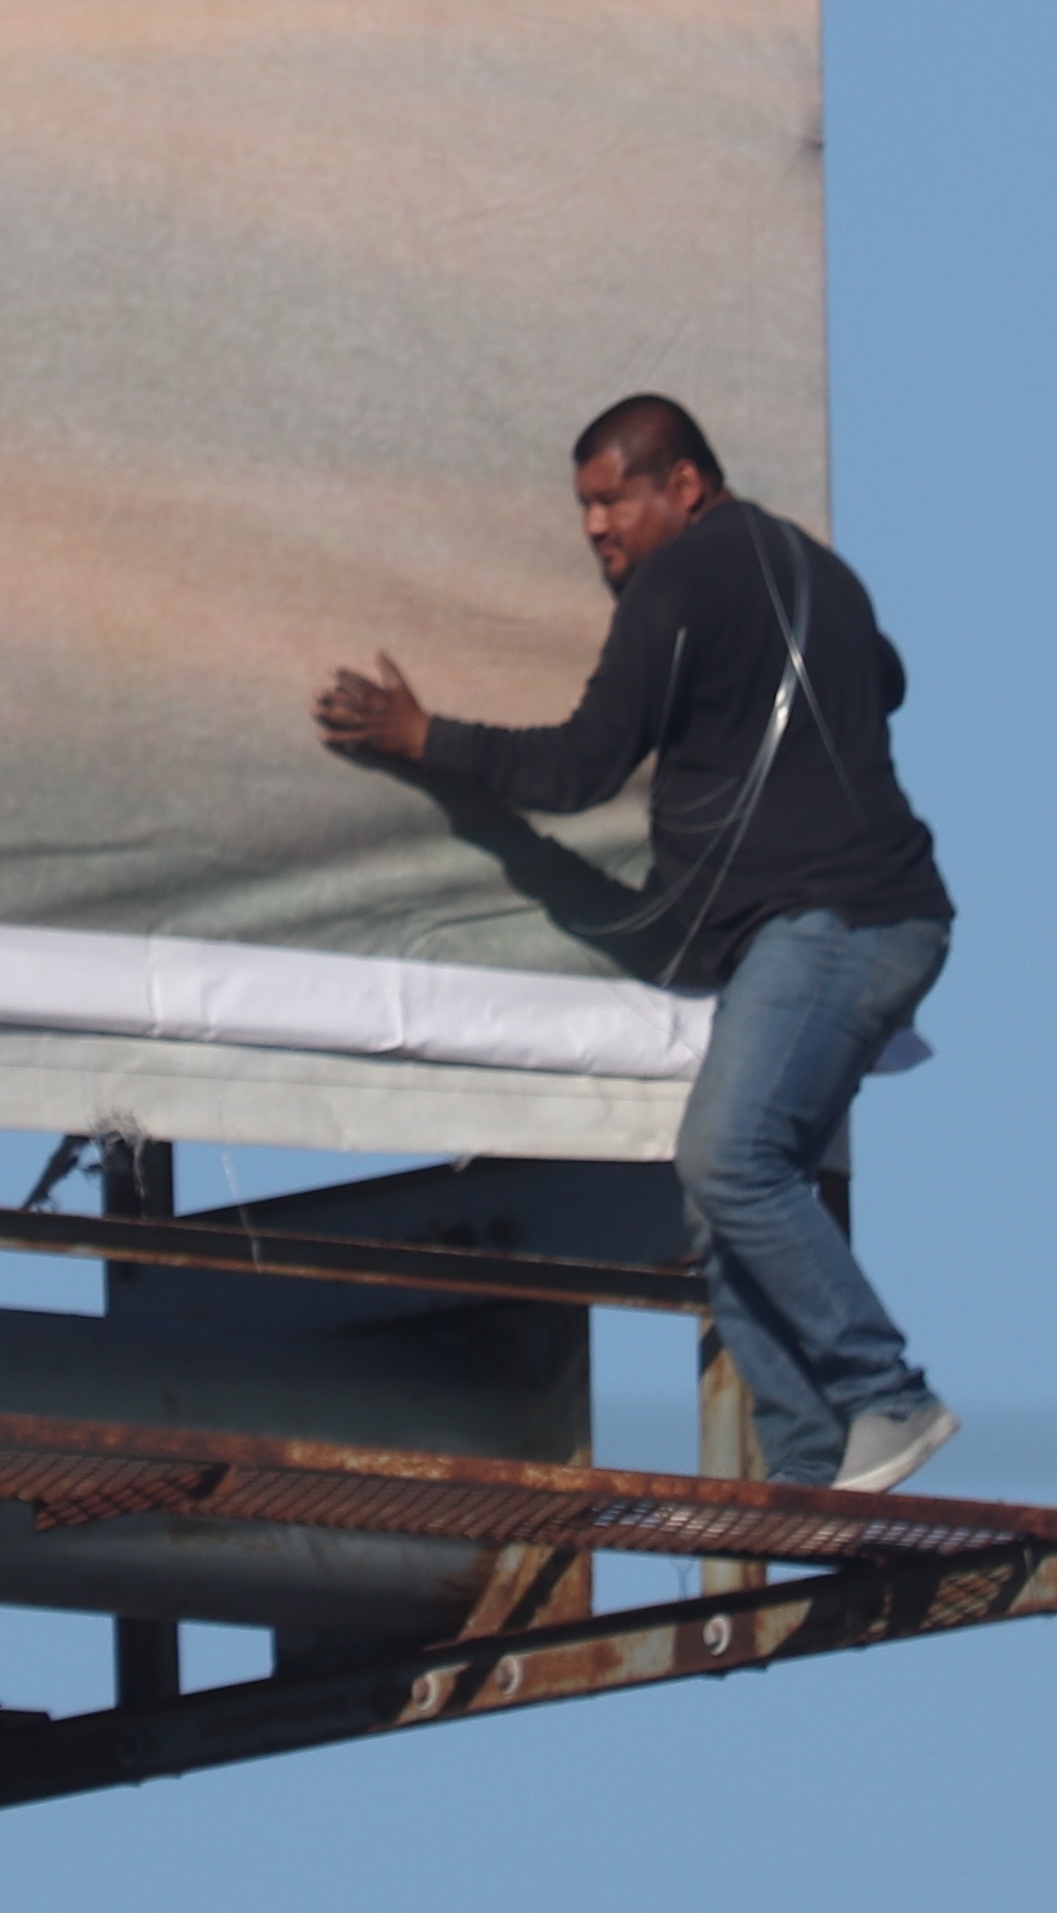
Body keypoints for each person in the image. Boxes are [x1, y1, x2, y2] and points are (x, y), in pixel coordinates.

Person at [313, 395, 962, 1493]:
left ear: (684, 488)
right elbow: (886, 674)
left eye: (612, 498)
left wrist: (420, 738)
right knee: (720, 1198)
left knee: (727, 1159)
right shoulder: (814, 573)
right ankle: (808, 1464)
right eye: (583, 506)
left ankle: (882, 1392)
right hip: (865, 923)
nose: (594, 527)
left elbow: (577, 767)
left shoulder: (680, 581)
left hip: (834, 924)